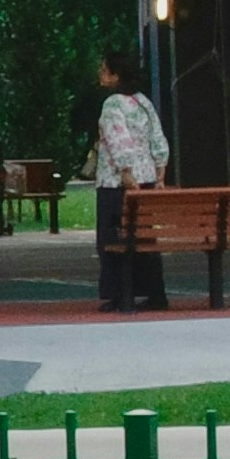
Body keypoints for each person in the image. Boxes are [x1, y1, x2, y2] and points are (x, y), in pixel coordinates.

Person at [89, 59, 168, 311]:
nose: (100, 74)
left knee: (113, 238)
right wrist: (160, 172)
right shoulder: (143, 101)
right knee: (143, 237)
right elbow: (158, 138)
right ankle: (155, 292)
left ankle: (121, 293)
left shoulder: (112, 104)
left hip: (116, 182)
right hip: (147, 178)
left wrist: (126, 172)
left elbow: (118, 139)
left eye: (105, 70)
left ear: (116, 76)